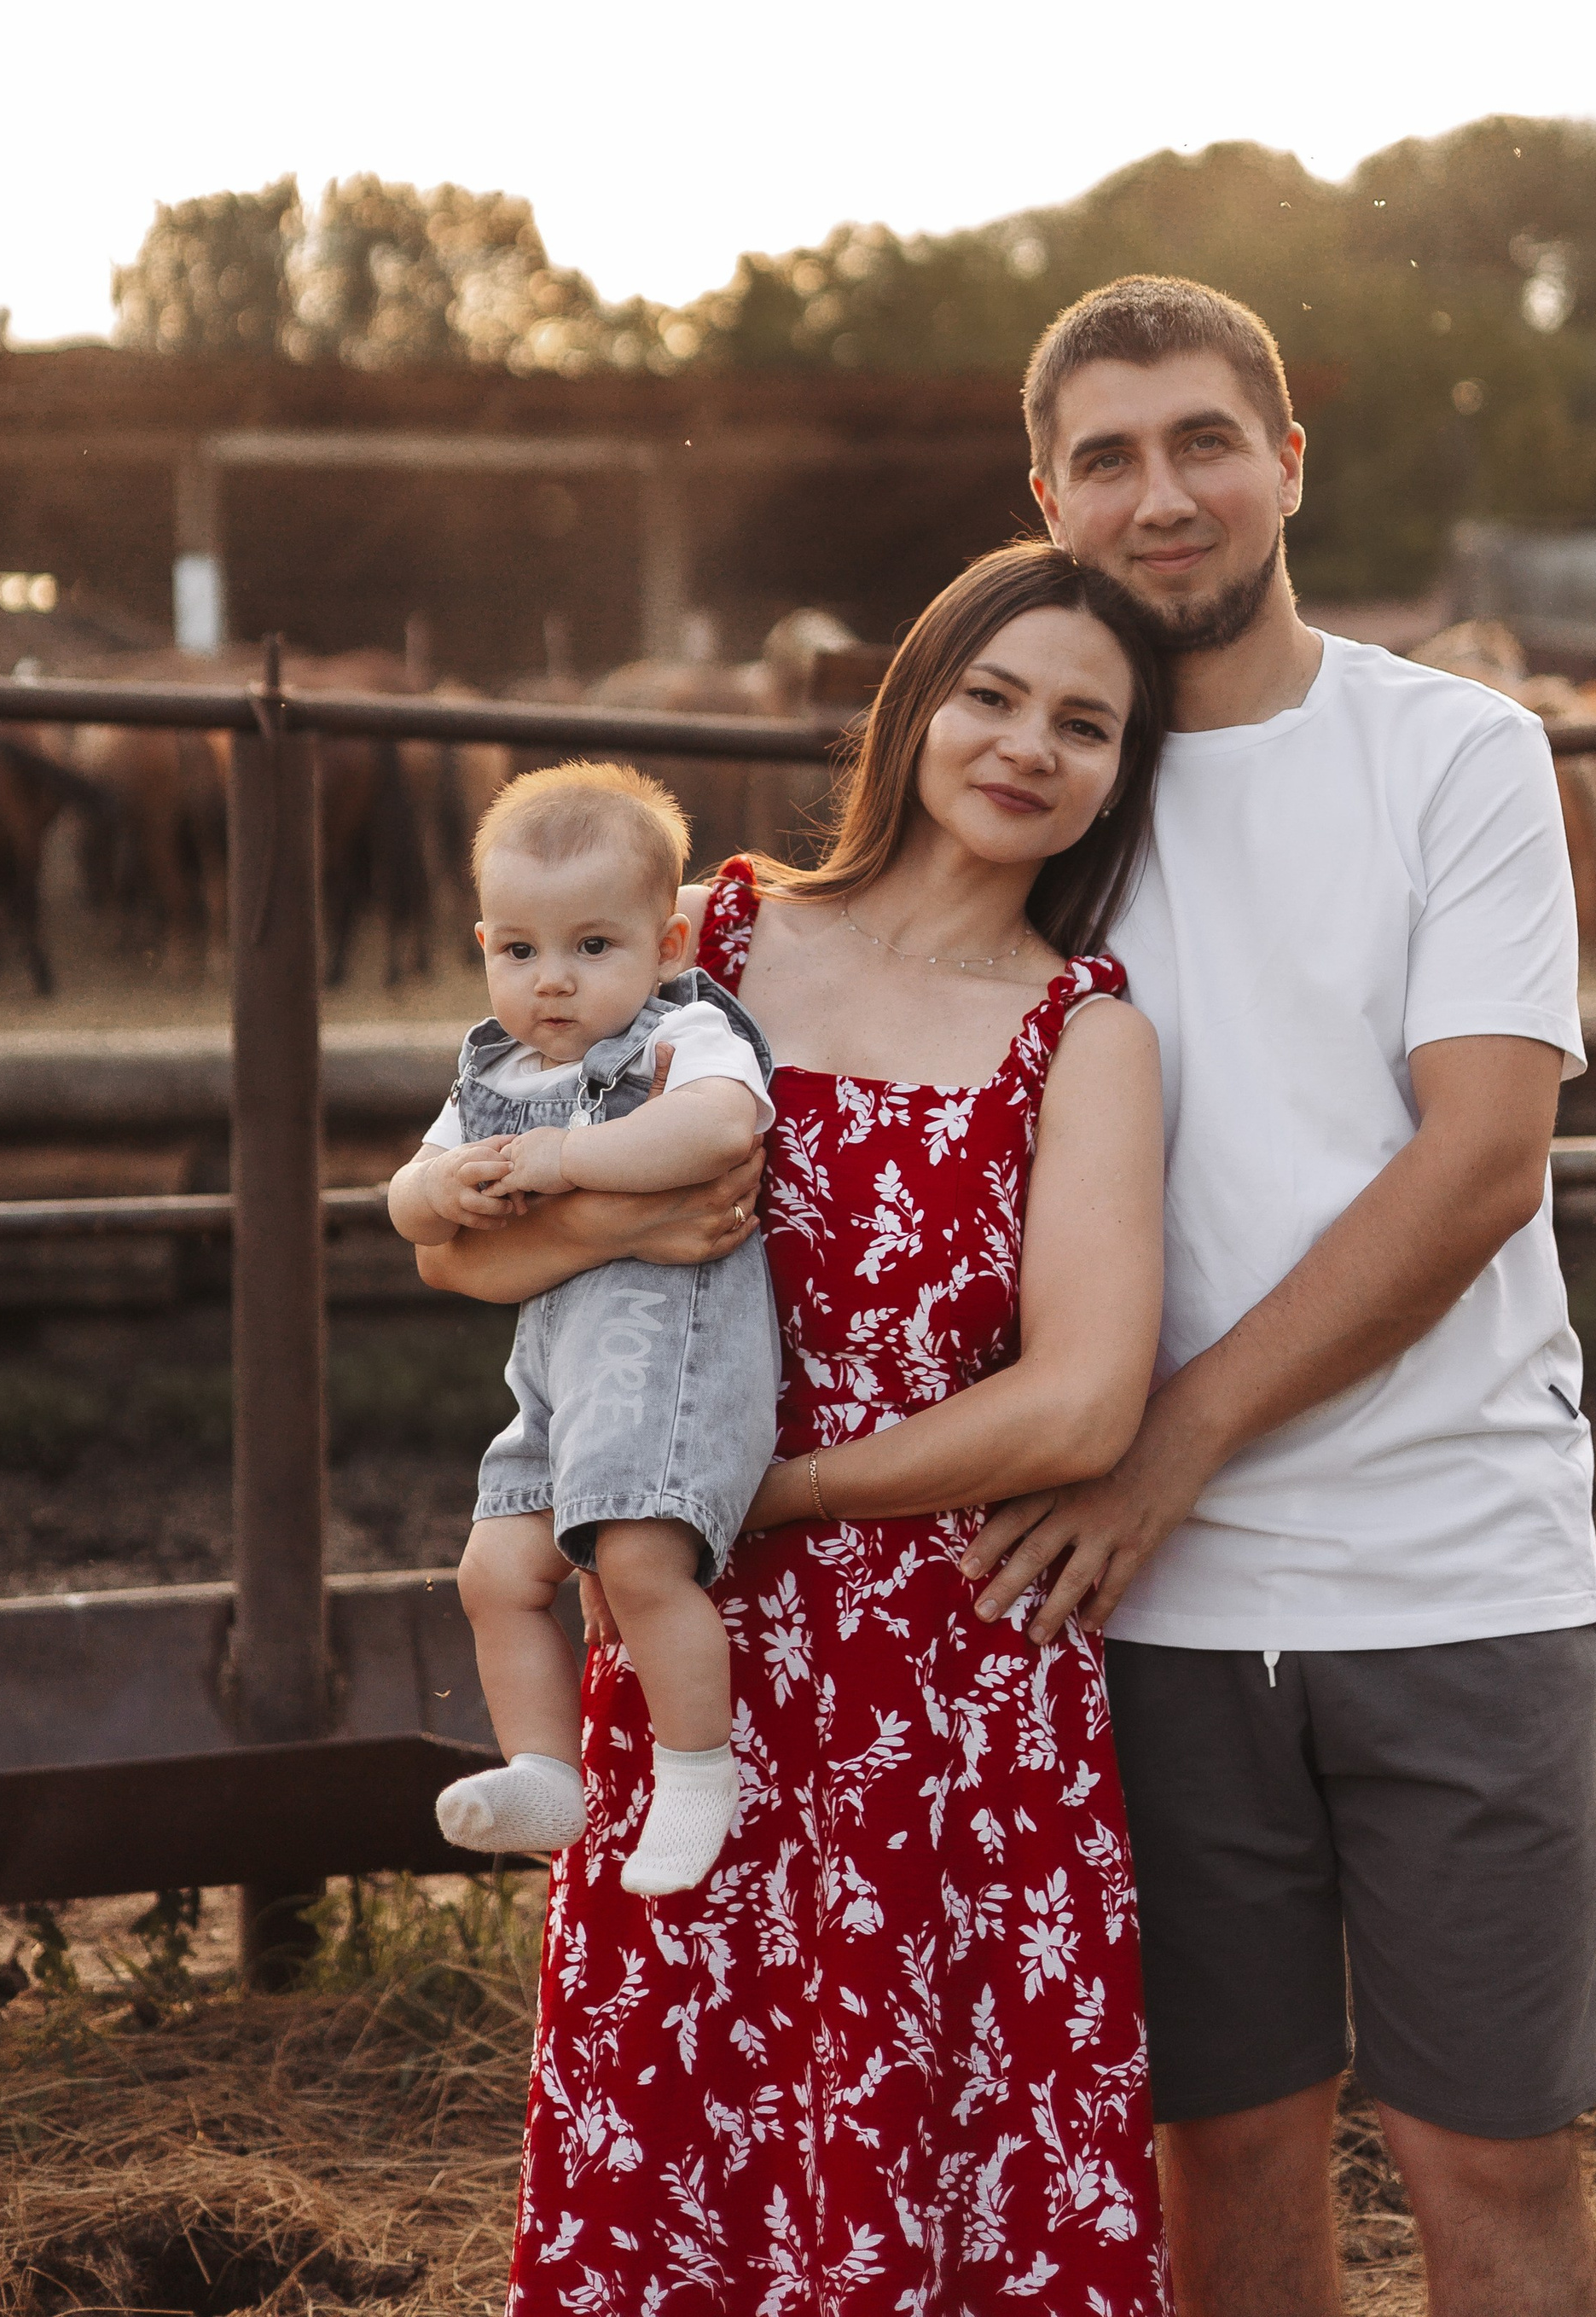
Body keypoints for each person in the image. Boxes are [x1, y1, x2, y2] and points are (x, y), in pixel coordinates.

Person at [410, 542, 1175, 2315]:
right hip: (697, 1645)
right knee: (678, 2138)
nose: (1025, 747)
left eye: (1084, 724)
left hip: (948, 1677)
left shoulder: (1083, 1033)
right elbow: (468, 1242)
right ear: (914, 700)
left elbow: (1078, 1398)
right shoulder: (709, 935)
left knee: (949, 2155)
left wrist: (759, 1489)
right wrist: (623, 1251)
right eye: (990, 695)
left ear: (1120, 774)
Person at [967, 276, 1596, 2317]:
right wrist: (496, 1159)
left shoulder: (1455, 756)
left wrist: (1168, 1447)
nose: (1157, 497)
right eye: (1104, 458)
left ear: (1284, 465)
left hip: (1453, 1568)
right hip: (1143, 1614)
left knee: (1487, 2167)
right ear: (1049, 497)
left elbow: (1477, 1160)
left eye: (1199, 442)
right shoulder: (1046, 791)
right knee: (1223, 2162)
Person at [388, 761, 782, 1897]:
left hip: (674, 1369)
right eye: (519, 951)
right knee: (493, 1572)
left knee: (640, 1560)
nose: (552, 982)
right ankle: (547, 1772)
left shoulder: (685, 1034)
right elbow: (410, 1203)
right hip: (555, 1389)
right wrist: (442, 1190)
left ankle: (698, 1767)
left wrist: (564, 1160)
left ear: (666, 944)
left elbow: (714, 1134)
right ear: (483, 945)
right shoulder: (493, 1071)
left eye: (591, 948)